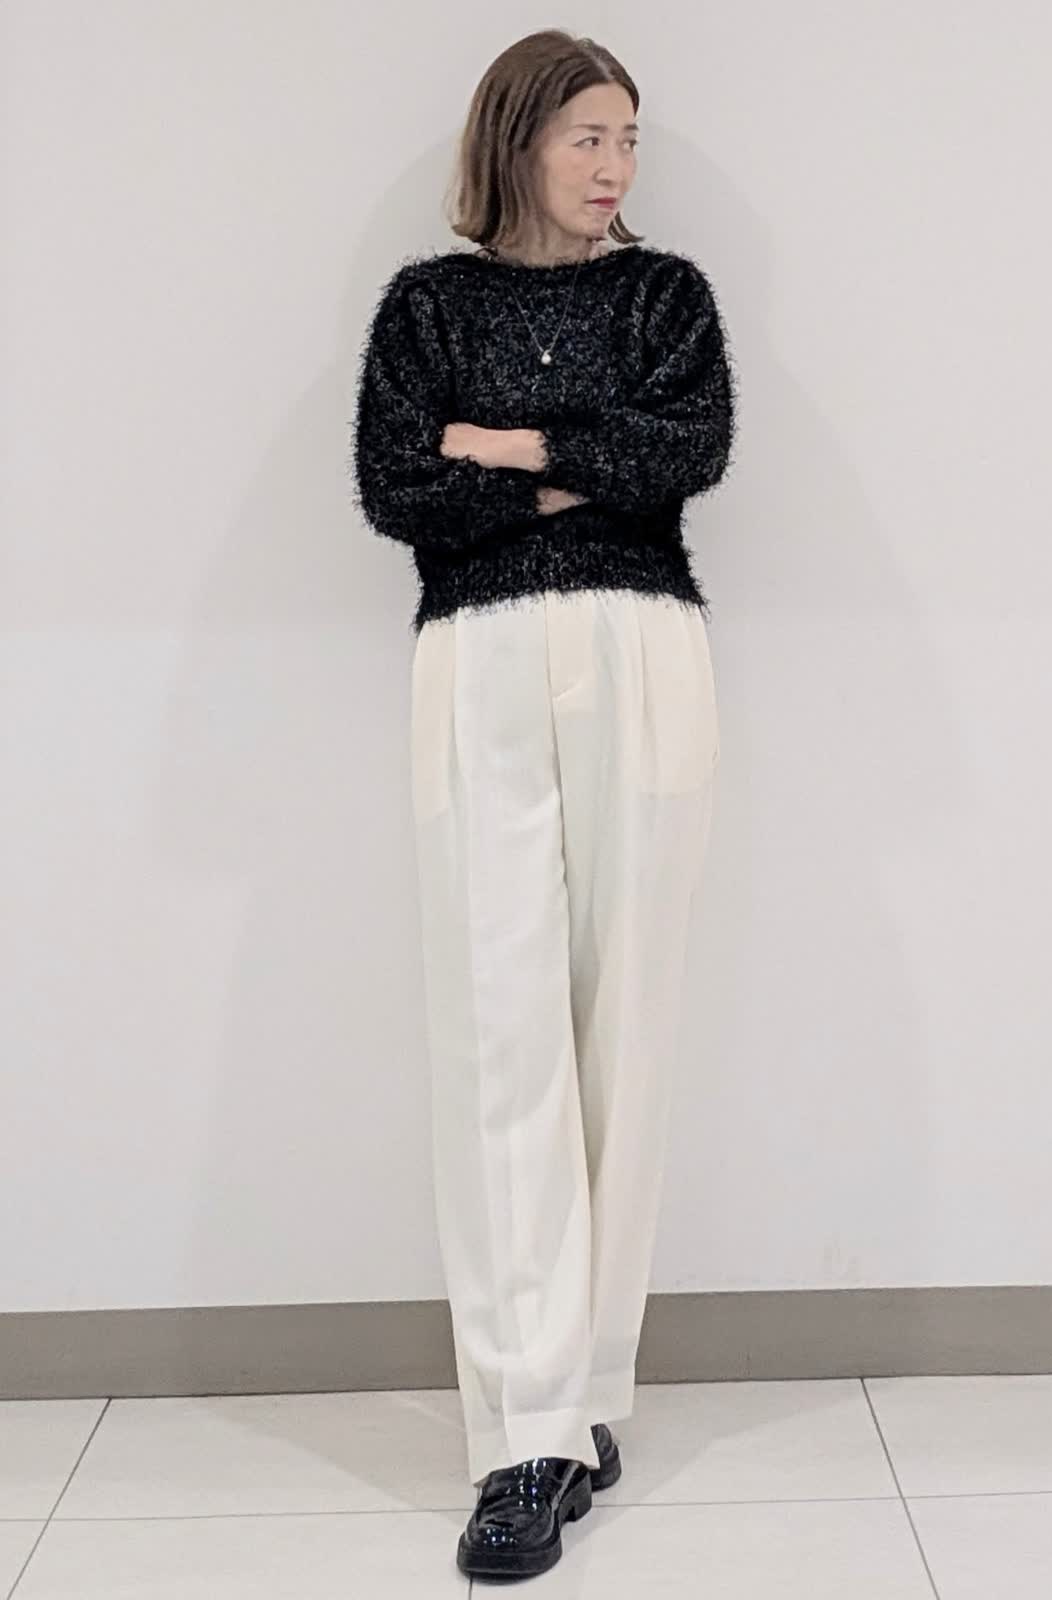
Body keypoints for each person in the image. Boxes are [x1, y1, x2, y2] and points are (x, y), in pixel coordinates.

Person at [351, 27, 737, 1581]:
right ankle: (525, 1428)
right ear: (515, 141)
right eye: (589, 137)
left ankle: (585, 1392)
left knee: (623, 1023)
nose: (615, 167)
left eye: (629, 138)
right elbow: (399, 486)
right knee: (498, 1029)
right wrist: (580, 465)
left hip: (644, 651)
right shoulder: (428, 307)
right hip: (479, 660)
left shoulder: (665, 298)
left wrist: (498, 444)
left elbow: (685, 451)